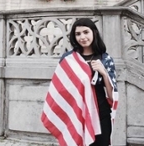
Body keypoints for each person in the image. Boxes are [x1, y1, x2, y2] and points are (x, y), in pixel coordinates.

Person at [41, 18, 118, 146]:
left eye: (86, 32)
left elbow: (112, 96)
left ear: (94, 33)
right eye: (78, 34)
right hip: (76, 114)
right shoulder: (68, 59)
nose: (82, 37)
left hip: (101, 114)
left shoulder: (105, 59)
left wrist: (104, 73)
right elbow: (59, 89)